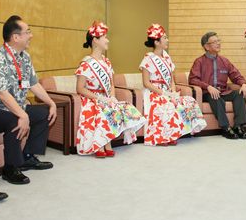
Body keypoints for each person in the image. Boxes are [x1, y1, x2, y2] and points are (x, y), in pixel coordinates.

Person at [0, 15, 56, 185]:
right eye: (28, 32)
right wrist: (22, 115)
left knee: (43, 113)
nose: (31, 35)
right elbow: (1, 93)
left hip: (16, 106)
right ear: (15, 37)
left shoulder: (25, 57)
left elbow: (33, 84)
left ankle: (27, 156)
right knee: (16, 119)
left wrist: (51, 103)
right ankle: (10, 168)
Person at [75, 21, 145, 157]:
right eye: (104, 37)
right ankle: (102, 144)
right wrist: (99, 98)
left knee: (122, 107)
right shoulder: (86, 63)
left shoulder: (107, 62)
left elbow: (111, 84)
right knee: (102, 109)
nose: (108, 40)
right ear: (95, 40)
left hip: (107, 97)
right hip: (92, 99)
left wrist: (112, 97)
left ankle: (107, 141)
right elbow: (80, 88)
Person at [139, 24, 207, 146]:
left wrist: (173, 92)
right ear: (157, 42)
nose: (167, 40)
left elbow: (171, 79)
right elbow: (146, 82)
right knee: (164, 105)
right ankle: (160, 137)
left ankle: (172, 134)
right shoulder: (148, 59)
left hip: (168, 91)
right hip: (153, 92)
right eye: (164, 38)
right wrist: (163, 93)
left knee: (187, 101)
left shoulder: (167, 57)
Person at [189, 32, 246, 140]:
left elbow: (236, 75)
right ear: (206, 46)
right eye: (215, 42)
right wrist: (208, 87)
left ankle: (238, 126)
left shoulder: (225, 61)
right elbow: (193, 79)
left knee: (238, 94)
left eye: (218, 41)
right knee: (216, 98)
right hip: (207, 93)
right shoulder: (199, 62)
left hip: (223, 92)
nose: (218, 44)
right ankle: (225, 128)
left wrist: (243, 84)